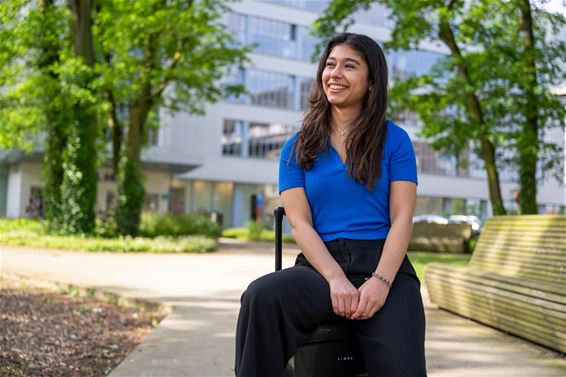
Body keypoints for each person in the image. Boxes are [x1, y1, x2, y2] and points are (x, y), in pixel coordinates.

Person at [235, 33, 427, 377]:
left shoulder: (394, 139)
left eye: (349, 66)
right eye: (330, 64)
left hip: (384, 264)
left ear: (371, 82)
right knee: (260, 298)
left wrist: (381, 282)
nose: (334, 73)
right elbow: (300, 223)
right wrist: (336, 278)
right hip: (320, 266)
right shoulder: (297, 146)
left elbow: (402, 217)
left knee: (402, 366)